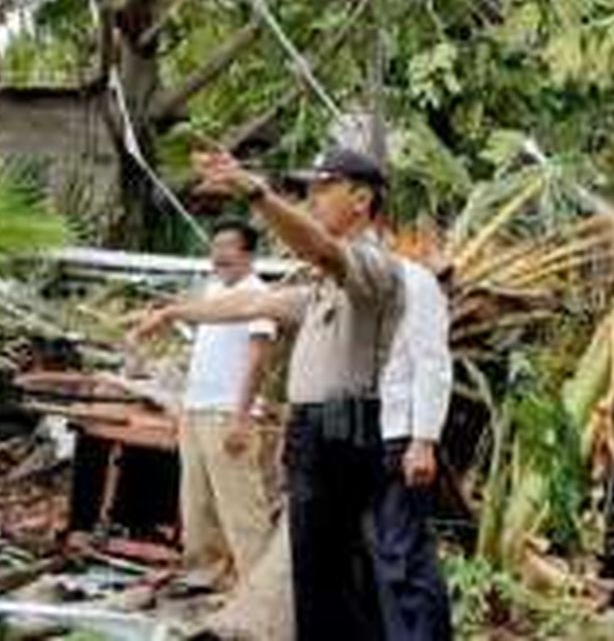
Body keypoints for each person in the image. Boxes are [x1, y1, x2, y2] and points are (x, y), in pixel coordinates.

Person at [134, 147, 403, 641]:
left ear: (362, 198)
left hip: (346, 431)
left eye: (324, 189)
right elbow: (252, 303)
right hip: (317, 433)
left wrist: (254, 191)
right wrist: (173, 312)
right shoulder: (324, 286)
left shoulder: (373, 269)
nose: (312, 200)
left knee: (338, 566)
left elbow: (319, 248)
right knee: (317, 569)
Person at [175, 217, 276, 589]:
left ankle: (258, 589)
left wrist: (242, 417)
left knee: (241, 506)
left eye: (227, 248)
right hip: (196, 410)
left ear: (248, 254)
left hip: (227, 413)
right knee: (197, 504)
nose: (218, 256)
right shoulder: (211, 292)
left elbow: (258, 359)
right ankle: (211, 579)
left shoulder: (259, 296)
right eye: (214, 247)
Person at [373, 257, 454, 641]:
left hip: (401, 434)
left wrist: (423, 440)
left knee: (403, 557)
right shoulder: (341, 280)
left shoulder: (413, 282)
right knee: (381, 558)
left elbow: (432, 361)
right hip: (366, 436)